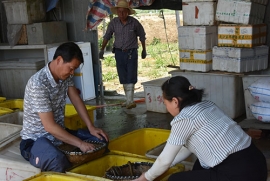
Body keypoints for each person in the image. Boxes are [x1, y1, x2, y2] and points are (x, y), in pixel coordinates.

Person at [133, 76, 267, 181]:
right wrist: (160, 167)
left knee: (175, 179)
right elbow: (185, 149)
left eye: (165, 103)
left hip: (239, 175)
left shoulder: (184, 119)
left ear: (175, 101)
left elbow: (165, 160)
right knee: (199, 166)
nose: (166, 107)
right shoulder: (207, 106)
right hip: (257, 164)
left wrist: (145, 177)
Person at [20, 42, 109, 173]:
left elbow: (76, 100)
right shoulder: (38, 84)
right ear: (59, 60)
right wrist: (80, 143)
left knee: (101, 140)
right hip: (35, 141)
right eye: (71, 68)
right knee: (57, 160)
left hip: (58, 136)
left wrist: (91, 127)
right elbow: (49, 127)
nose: (72, 73)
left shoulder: (65, 78)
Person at [99, 0, 147, 109]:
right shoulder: (114, 23)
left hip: (131, 52)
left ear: (128, 12)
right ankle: (128, 100)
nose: (121, 14)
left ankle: (130, 100)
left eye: (124, 12)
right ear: (117, 12)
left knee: (131, 74)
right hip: (119, 53)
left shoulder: (134, 23)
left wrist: (144, 50)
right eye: (119, 12)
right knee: (123, 75)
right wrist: (101, 49)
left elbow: (142, 36)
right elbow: (107, 36)